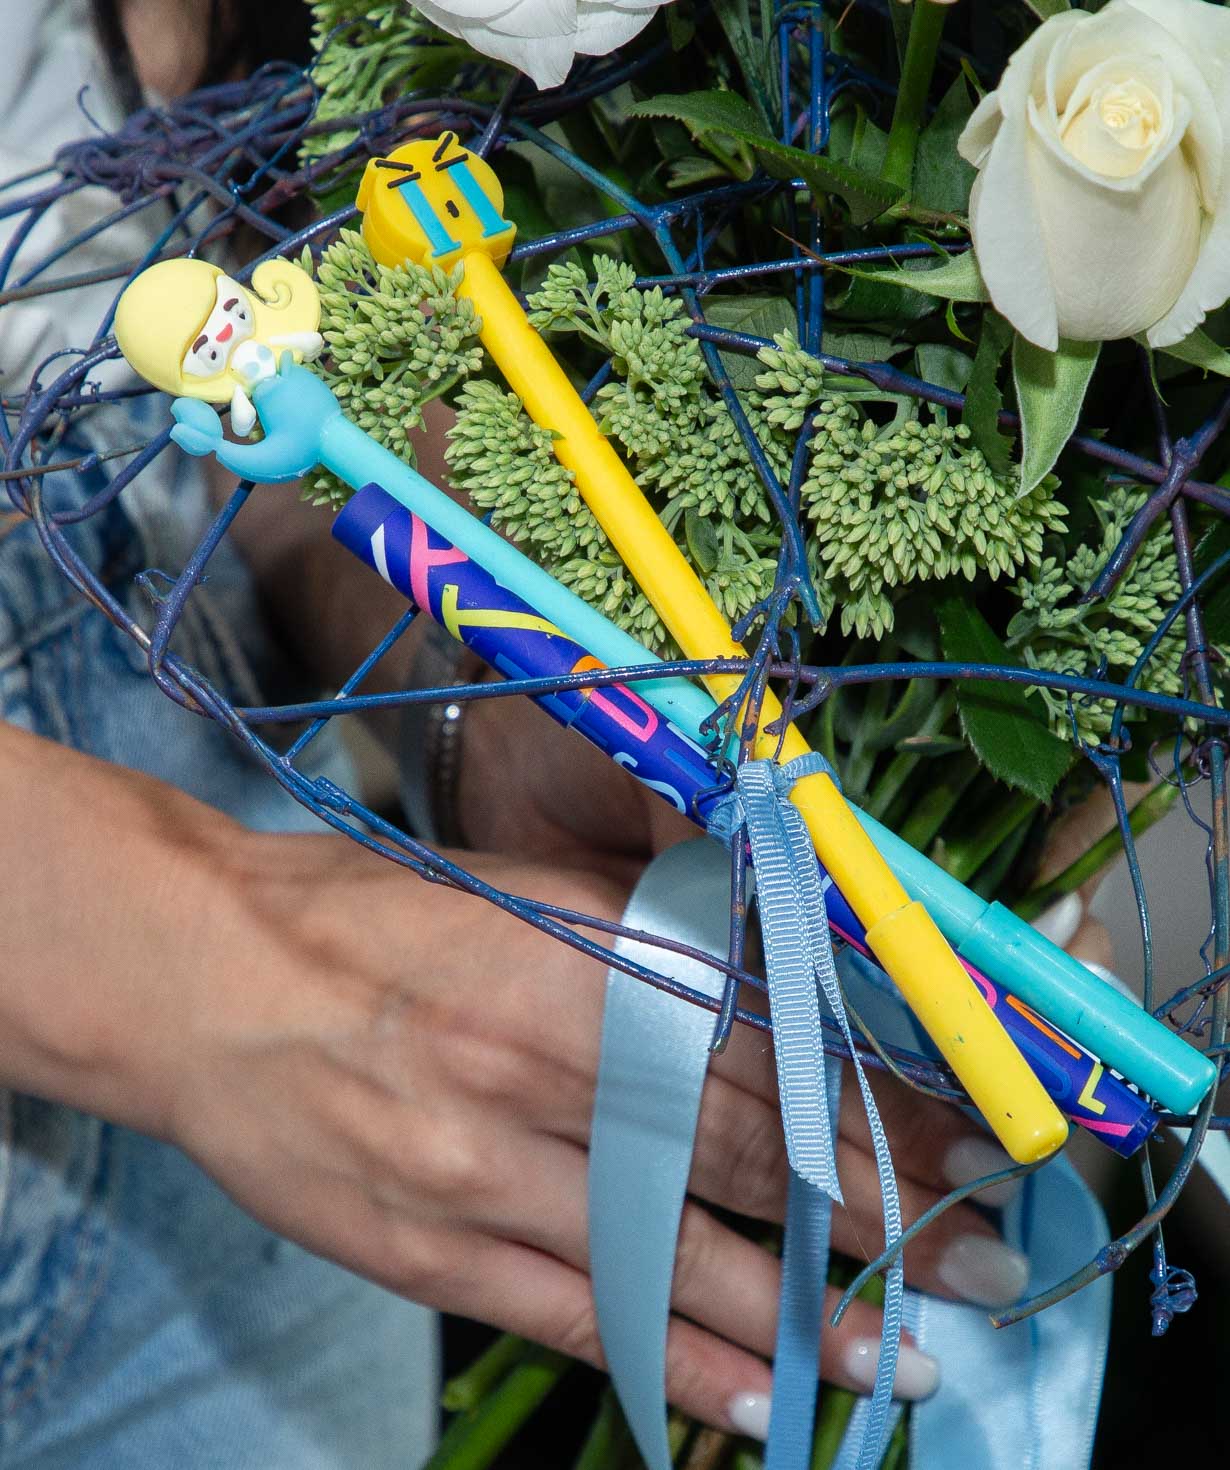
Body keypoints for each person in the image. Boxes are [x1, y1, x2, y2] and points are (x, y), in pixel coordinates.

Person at [0, 1, 1108, 1463]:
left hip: (184, 765)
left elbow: (225, 438)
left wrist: (486, 714)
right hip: (188, 964)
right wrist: (203, 944)